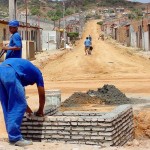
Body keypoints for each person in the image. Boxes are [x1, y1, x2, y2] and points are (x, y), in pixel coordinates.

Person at [0, 58, 45, 146]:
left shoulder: (24, 72)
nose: (31, 84)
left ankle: (12, 135)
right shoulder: (38, 74)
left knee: (8, 104)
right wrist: (40, 110)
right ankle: (15, 138)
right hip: (11, 72)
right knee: (18, 104)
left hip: (1, 69)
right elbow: (42, 95)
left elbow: (21, 97)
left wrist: (28, 110)